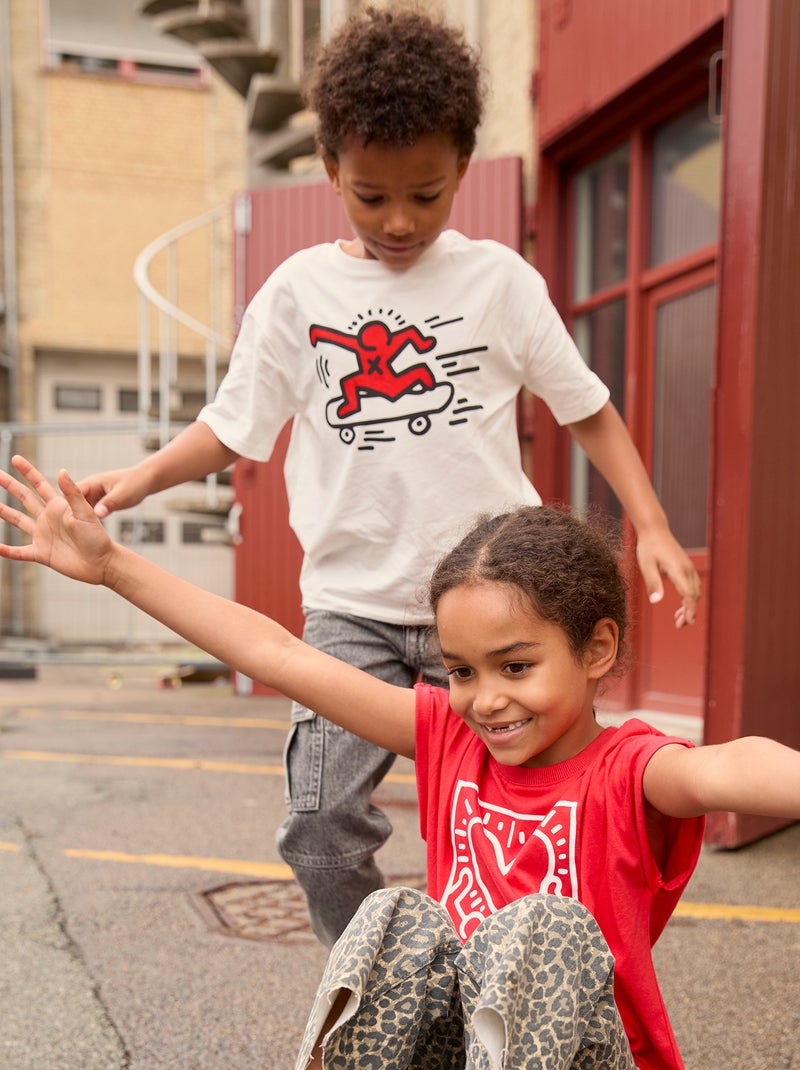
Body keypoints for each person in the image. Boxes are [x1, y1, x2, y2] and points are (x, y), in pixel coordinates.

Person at [74, 6, 701, 948]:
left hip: (501, 605)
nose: (401, 221)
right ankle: (380, 994)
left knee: (547, 815)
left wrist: (649, 521)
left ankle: (537, 982)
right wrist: (141, 478)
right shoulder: (297, 293)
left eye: (428, 193)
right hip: (353, 609)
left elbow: (588, 408)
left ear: (463, 167)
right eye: (371, 197)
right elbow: (231, 429)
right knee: (321, 830)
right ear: (329, 170)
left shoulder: (498, 282)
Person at [0, 457, 797, 1070]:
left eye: (514, 667)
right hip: (457, 1045)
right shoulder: (450, 738)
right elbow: (276, 652)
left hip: (580, 1051)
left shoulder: (630, 770)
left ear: (597, 648)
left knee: (541, 928)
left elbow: (728, 768)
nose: (485, 699)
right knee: (395, 919)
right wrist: (113, 568)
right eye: (461, 670)